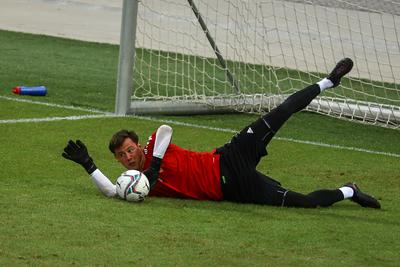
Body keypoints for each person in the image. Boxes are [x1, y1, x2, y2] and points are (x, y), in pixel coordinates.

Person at [62, 58, 381, 209]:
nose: (127, 157)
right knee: (306, 203)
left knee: (281, 112)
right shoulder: (139, 186)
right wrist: (88, 164)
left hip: (229, 157)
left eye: (129, 150)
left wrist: (156, 164)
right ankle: (350, 191)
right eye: (121, 156)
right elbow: (111, 192)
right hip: (235, 189)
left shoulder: (153, 149)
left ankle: (328, 82)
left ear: (137, 146)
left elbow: (164, 129)